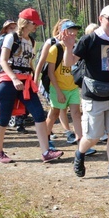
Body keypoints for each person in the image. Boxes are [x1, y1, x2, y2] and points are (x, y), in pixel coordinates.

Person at [64, 5, 109, 185]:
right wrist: (68, 47)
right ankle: (80, 154)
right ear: (101, 18)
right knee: (93, 136)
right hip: (93, 96)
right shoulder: (89, 40)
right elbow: (70, 62)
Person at [0, 8, 63, 164]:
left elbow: (29, 62)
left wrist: (33, 79)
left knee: (38, 114)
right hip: (8, 82)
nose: (36, 26)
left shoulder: (31, 41)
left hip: (26, 82)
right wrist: (14, 78)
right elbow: (3, 60)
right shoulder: (11, 38)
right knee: (3, 117)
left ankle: (46, 152)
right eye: (34, 23)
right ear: (26, 23)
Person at [44, 21, 83, 153]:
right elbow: (50, 72)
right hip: (57, 88)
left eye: (74, 31)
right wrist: (59, 91)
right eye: (70, 30)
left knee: (77, 114)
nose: (73, 33)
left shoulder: (77, 48)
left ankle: (81, 143)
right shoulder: (55, 48)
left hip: (72, 88)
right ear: (62, 32)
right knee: (54, 113)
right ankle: (46, 140)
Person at [35, 19, 73, 146]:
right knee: (54, 111)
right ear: (61, 29)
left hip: (65, 83)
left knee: (61, 109)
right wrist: (35, 80)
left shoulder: (72, 43)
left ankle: (66, 133)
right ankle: (46, 138)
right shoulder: (51, 42)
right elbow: (41, 63)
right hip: (50, 82)